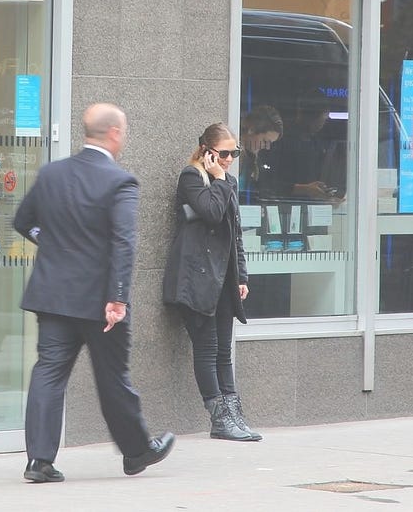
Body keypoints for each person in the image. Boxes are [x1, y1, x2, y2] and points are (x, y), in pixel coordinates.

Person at [14, 103, 175, 483]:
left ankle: (39, 461)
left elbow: (24, 222)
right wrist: (118, 299)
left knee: (48, 372)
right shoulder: (120, 181)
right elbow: (124, 244)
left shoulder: (52, 174)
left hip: (53, 297)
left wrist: (48, 241)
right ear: (115, 133)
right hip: (101, 303)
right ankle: (137, 452)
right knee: (112, 377)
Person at [163, 123, 261, 442]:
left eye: (235, 153)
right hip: (196, 279)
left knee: (223, 351)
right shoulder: (192, 177)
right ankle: (219, 418)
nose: (230, 158)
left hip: (222, 279)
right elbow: (213, 212)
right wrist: (218, 179)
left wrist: (241, 275)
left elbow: (235, 233)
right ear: (206, 150)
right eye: (225, 153)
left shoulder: (227, 181)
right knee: (206, 349)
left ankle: (234, 414)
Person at [237, 104, 283, 203]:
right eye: (265, 141)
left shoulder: (254, 160)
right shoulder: (230, 155)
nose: (267, 147)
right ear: (251, 130)